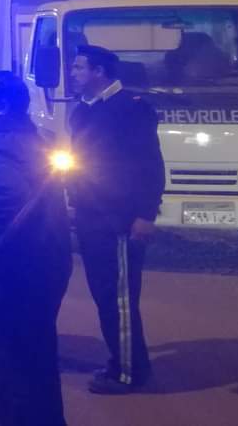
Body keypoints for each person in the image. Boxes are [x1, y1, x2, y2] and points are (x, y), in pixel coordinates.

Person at [0, 71, 71, 426]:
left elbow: (9, 198)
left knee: (8, 365)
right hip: (46, 262)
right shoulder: (33, 138)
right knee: (39, 357)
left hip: (12, 271)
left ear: (3, 107)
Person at [69, 45, 165, 395]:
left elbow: (150, 166)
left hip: (119, 221)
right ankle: (122, 359)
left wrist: (145, 214)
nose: (73, 73)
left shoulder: (130, 109)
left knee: (120, 300)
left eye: (79, 67)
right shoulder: (83, 110)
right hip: (91, 218)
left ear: (99, 72)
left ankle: (128, 372)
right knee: (105, 296)